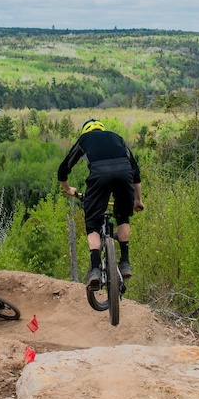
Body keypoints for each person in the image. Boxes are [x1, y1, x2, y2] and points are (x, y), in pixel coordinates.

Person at [57, 118, 144, 289]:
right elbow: (136, 172)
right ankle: (125, 262)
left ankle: (95, 269)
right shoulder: (117, 138)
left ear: (86, 132)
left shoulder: (85, 139)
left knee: (93, 225)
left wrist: (68, 189)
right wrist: (138, 200)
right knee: (123, 217)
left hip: (99, 177)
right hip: (124, 175)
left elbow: (64, 168)